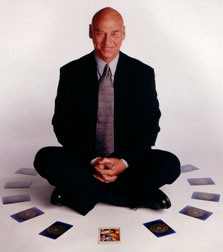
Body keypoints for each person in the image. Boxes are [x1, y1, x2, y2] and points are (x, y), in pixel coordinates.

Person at [34, 7, 181, 216]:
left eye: (114, 33)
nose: (107, 41)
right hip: (86, 160)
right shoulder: (71, 72)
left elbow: (149, 125)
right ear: (90, 32)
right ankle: (135, 194)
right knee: (45, 158)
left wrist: (123, 162)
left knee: (170, 164)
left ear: (124, 33)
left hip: (126, 163)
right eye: (100, 32)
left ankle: (81, 192)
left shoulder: (142, 73)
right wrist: (94, 160)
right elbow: (63, 125)